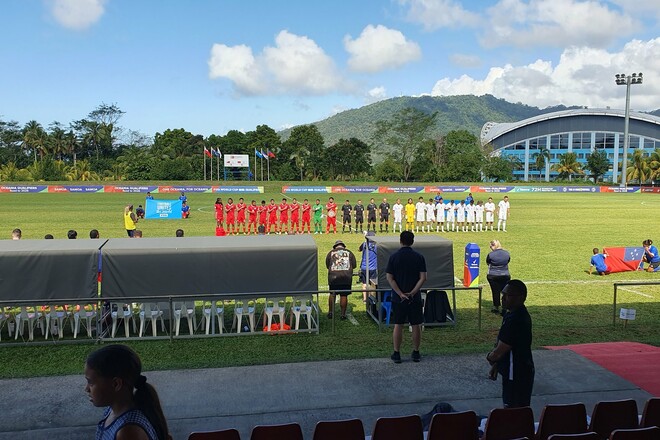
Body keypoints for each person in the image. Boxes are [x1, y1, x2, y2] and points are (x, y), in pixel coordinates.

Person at [85, 344, 170, 440]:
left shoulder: (128, 432)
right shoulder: (112, 411)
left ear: (116, 384)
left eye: (90, 382)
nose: (86, 389)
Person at [486, 279, 534, 408]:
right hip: (517, 370)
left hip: (517, 373)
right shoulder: (512, 314)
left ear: (521, 297)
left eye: (508, 295)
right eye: (503, 294)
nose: (503, 298)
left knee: (514, 409)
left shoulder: (516, 320)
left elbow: (501, 349)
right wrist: (498, 364)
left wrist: (491, 358)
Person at [386, 231, 427, 363]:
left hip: (398, 298)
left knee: (398, 324)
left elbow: (390, 278)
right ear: (412, 241)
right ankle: (416, 352)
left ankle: (397, 353)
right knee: (416, 324)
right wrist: (413, 292)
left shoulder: (394, 257)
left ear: (400, 240)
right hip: (414, 298)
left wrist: (400, 293)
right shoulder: (419, 257)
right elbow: (423, 278)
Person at [326, 240, 357, 320]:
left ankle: (330, 312)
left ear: (335, 247)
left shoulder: (331, 253)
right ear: (343, 246)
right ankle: (343, 314)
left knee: (332, 294)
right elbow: (354, 265)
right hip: (346, 277)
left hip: (333, 277)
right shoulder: (349, 253)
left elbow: (327, 265)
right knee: (344, 295)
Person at [487, 240, 511, 315]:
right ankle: (505, 307)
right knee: (505, 291)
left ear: (493, 246)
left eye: (490, 246)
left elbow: (488, 262)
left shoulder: (491, 254)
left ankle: (496, 307)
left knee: (495, 291)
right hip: (505, 275)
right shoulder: (507, 253)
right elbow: (508, 261)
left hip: (493, 275)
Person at [359, 231, 377, 303]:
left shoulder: (364, 244)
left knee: (364, 283)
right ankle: (371, 298)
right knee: (372, 283)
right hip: (373, 268)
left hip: (364, 267)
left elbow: (359, 249)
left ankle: (365, 299)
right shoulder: (376, 245)